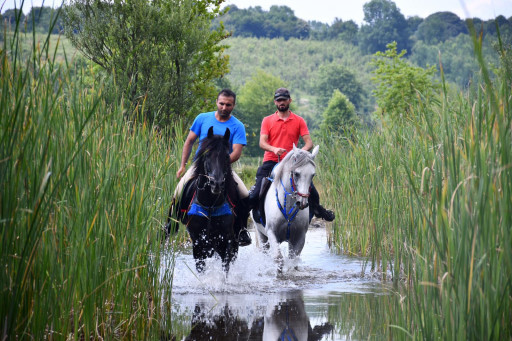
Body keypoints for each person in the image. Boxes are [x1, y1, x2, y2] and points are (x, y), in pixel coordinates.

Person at [174, 89, 252, 246]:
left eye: (228, 105)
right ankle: (171, 224)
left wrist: (219, 165)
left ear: (233, 105)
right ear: (217, 102)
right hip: (199, 166)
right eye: (221, 103)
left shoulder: (237, 126)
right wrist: (182, 165)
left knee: (244, 195)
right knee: (178, 191)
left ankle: (242, 229)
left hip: (224, 168)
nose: (224, 107)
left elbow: (236, 152)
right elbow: (189, 141)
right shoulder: (202, 119)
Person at [249, 87, 335, 222]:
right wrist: (274, 149)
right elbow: (262, 143)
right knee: (255, 194)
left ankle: (318, 211)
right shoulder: (267, 120)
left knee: (314, 193)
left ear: (290, 100)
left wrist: (300, 153)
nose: (281, 103)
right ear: (275, 102)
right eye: (278, 100)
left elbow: (309, 143)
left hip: (292, 164)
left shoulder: (299, 120)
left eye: (284, 100)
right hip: (271, 161)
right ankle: (249, 220)